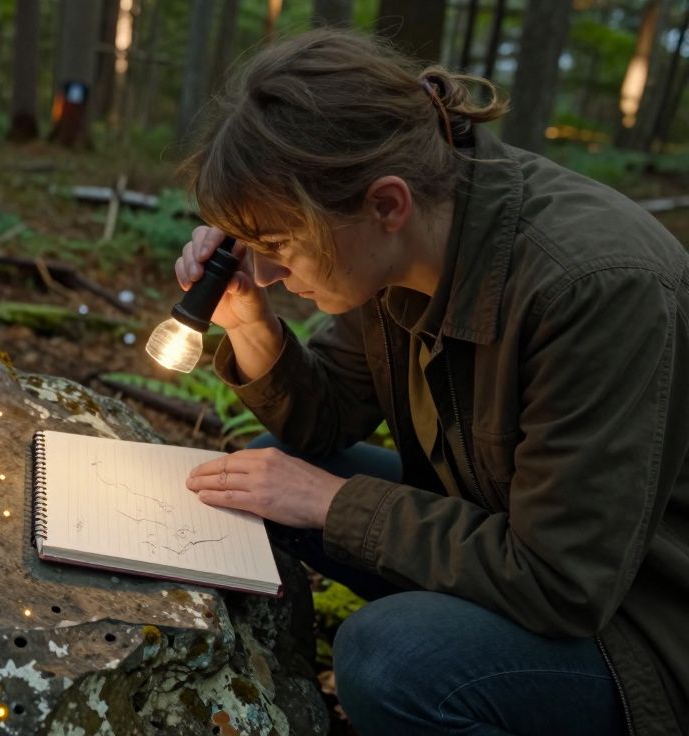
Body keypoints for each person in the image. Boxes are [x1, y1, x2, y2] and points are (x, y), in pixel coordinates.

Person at [174, 28, 688, 736]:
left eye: (278, 248)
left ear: (387, 205)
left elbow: (562, 581)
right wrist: (248, 320)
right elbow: (323, 424)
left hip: (642, 629)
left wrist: (335, 503)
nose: (265, 272)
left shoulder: (594, 290)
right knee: (262, 475)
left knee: (391, 658)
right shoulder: (408, 242)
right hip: (506, 541)